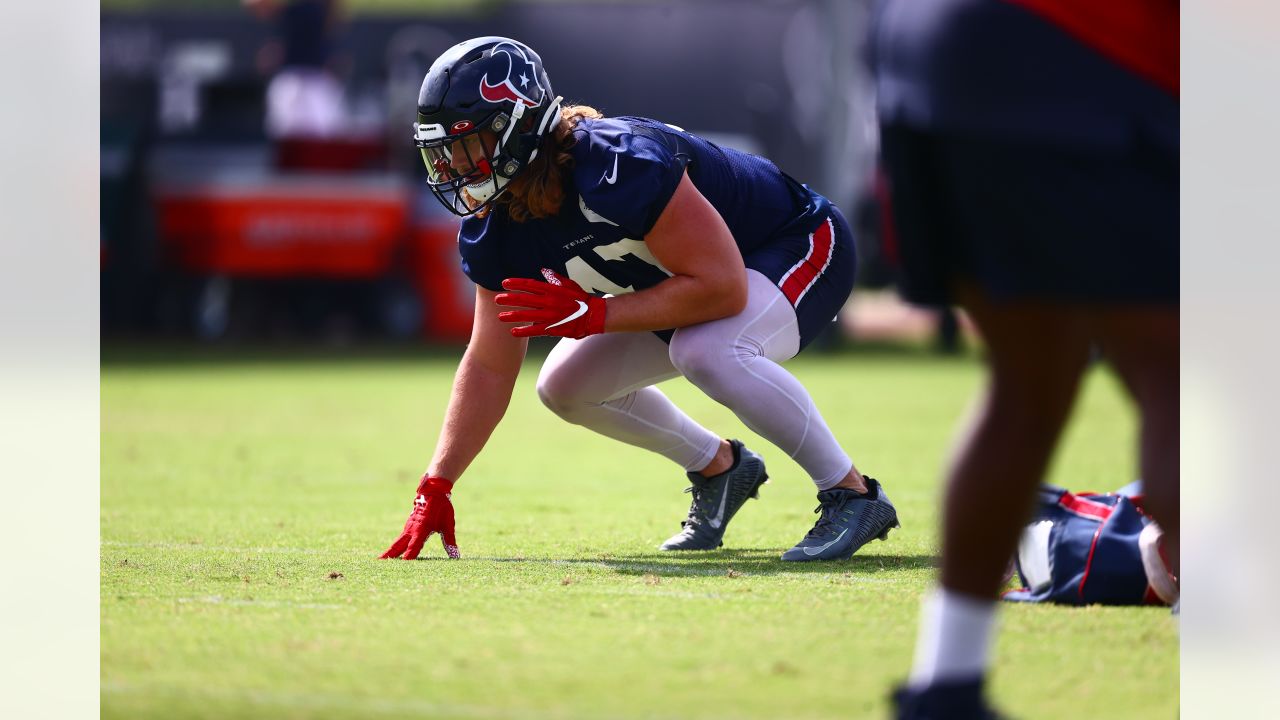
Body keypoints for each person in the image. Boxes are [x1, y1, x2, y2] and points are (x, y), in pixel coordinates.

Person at [379, 36, 900, 563]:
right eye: (444, 150)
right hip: (685, 281)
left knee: (707, 351)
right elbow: (490, 363)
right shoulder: (495, 225)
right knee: (565, 386)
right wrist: (437, 484)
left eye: (469, 145)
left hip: (796, 243)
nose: (455, 166)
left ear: (517, 125)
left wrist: (597, 313)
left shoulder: (616, 164)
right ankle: (719, 467)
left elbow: (722, 286)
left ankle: (853, 493)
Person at [870, 1, 1179, 717]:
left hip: (929, 50)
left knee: (1028, 384)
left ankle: (946, 687)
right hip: (1085, 48)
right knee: (1187, 377)